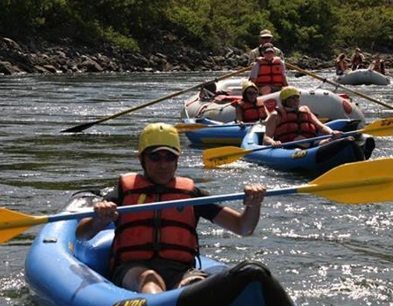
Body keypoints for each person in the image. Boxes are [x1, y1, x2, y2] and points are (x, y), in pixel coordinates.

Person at [76, 123, 266, 294]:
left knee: (196, 286)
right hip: (133, 268)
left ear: (177, 160)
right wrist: (99, 219)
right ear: (142, 159)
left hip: (180, 271)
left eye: (169, 157)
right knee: (150, 281)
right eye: (155, 158)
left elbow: (243, 227)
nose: (163, 165)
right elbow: (82, 234)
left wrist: (254, 204)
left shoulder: (192, 194)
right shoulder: (124, 192)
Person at [263, 86, 342, 148]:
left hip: (311, 143)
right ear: (285, 101)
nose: (296, 100)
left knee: (332, 141)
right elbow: (267, 137)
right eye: (292, 98)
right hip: (290, 146)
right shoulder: (276, 115)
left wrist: (332, 132)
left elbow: (320, 126)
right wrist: (272, 142)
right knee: (297, 151)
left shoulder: (305, 110)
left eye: (296, 97)